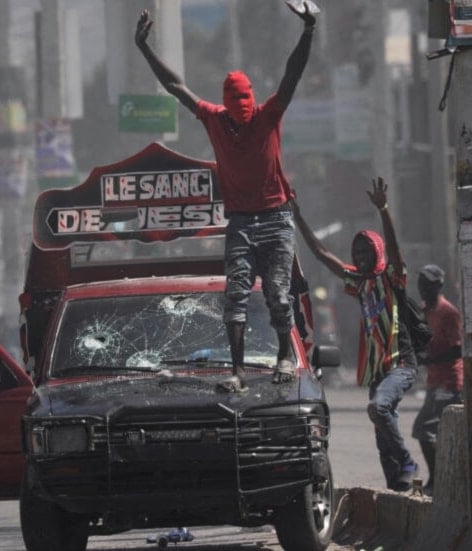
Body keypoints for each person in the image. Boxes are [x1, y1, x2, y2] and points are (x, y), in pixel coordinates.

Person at [135, 1, 316, 392]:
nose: (241, 116)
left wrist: (308, 31)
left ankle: (285, 355)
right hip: (239, 221)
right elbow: (175, 86)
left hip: (275, 219)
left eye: (245, 108)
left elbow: (292, 74)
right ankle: (237, 372)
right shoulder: (215, 119)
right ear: (226, 106)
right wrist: (144, 48)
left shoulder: (268, 116)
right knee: (234, 295)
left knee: (278, 295)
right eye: (236, 110)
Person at [291, 177, 420, 491]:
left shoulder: (392, 277)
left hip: (400, 364)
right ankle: (398, 487)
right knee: (380, 432)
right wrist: (297, 217)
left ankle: (407, 461)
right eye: (357, 251)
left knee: (378, 409)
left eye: (366, 251)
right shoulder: (359, 283)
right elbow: (322, 254)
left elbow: (395, 248)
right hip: (379, 371)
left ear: (377, 252)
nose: (361, 256)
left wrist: (384, 209)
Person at [410, 264, 463, 495]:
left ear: (439, 285)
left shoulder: (448, 313)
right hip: (434, 381)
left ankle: (440, 479)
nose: (423, 288)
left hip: (449, 381)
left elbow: (457, 350)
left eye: (428, 283)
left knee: (425, 429)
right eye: (421, 283)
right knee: (430, 431)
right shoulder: (424, 311)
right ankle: (443, 478)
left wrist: (429, 360)